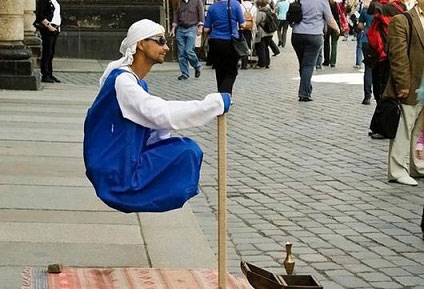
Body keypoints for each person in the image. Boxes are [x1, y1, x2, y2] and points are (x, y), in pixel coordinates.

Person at [83, 19, 231, 213]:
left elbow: (153, 124)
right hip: (116, 173)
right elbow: (161, 113)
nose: (166, 47)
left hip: (120, 165)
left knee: (184, 151)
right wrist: (213, 105)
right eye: (160, 40)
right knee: (187, 151)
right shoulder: (122, 82)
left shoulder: (131, 82)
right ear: (141, 44)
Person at [385, 0, 424, 186]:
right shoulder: (402, 20)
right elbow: (398, 55)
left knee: (420, 129)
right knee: (404, 128)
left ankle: (418, 165)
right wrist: (403, 84)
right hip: (412, 83)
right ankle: (397, 169)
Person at [291, 0, 340, 102]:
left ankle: (307, 89)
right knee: (308, 66)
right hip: (314, 35)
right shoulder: (322, 2)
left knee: (303, 64)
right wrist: (337, 29)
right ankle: (304, 93)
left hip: (297, 34)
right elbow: (330, 19)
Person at [204, 0, 245, 94]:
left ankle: (221, 96)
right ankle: (225, 94)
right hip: (231, 42)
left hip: (216, 42)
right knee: (232, 71)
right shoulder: (235, 4)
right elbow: (242, 24)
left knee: (219, 70)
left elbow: (206, 29)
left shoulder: (212, 7)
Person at [170, 0, 204, 80]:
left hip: (192, 28)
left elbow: (201, 15)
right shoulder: (179, 3)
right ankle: (184, 73)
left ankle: (197, 66)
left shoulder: (197, 1)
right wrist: (173, 28)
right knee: (181, 53)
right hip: (180, 29)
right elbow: (176, 15)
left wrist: (200, 27)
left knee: (189, 51)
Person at [34, 0, 62, 83]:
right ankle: (45, 74)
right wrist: (49, 26)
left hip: (56, 28)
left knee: (51, 52)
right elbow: (40, 16)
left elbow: (57, 14)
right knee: (47, 51)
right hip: (48, 28)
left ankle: (50, 73)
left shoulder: (55, 1)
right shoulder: (45, 1)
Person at [357, 0, 374, 104]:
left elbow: (359, 25)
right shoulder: (383, 9)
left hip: (366, 40)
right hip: (379, 42)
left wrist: (367, 28)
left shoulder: (365, 10)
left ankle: (367, 96)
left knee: (368, 68)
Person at [323, 0, 342, 68]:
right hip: (336, 24)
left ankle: (326, 61)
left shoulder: (325, 4)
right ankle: (333, 62)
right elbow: (340, 14)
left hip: (328, 24)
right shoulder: (337, 5)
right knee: (334, 44)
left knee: (326, 43)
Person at [240, 0, 257, 69]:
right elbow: (254, 19)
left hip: (241, 28)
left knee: (240, 44)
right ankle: (245, 63)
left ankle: (239, 61)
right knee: (247, 44)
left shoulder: (240, 6)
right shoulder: (254, 7)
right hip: (249, 28)